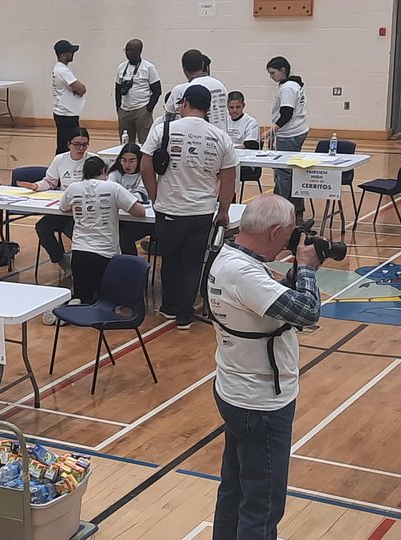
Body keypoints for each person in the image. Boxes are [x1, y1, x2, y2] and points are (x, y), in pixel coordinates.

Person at [207, 193, 322, 540]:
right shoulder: (245, 274)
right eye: (288, 234)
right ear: (274, 233)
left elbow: (268, 301)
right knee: (263, 504)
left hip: (234, 388)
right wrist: (307, 269)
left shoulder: (228, 257)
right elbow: (307, 312)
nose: (290, 240)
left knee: (235, 489)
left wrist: (295, 272)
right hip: (261, 402)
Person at [141, 85, 236, 330]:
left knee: (170, 260)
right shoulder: (220, 136)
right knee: (193, 263)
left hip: (169, 209)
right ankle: (185, 314)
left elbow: (145, 166)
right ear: (208, 108)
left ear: (184, 103)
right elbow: (228, 178)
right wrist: (223, 210)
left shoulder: (163, 129)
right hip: (202, 212)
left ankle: (169, 308)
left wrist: (154, 195)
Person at [61, 157, 145, 303]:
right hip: (105, 254)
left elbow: (64, 208)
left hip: (79, 253)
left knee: (83, 297)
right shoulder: (113, 187)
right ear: (104, 171)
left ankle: (66, 310)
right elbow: (140, 212)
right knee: (106, 299)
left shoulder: (73, 188)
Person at [17, 127, 97, 275]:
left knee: (75, 233)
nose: (81, 148)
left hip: (83, 212)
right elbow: (50, 181)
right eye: (77, 144)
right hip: (62, 208)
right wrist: (36, 186)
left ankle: (87, 268)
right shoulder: (60, 159)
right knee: (42, 227)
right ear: (69, 144)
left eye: (84, 144)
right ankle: (62, 261)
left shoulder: (93, 160)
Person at [263, 56, 310, 219]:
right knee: (293, 172)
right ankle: (296, 210)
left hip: (289, 134)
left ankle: (281, 210)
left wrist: (271, 131)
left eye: (273, 73)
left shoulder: (288, 88)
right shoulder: (294, 84)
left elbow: (286, 114)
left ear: (283, 70)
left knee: (283, 173)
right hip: (297, 131)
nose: (271, 77)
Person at [164, 50, 231, 138]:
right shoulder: (220, 85)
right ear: (203, 65)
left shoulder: (183, 89)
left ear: (184, 68)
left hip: (197, 139)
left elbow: (168, 118)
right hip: (222, 138)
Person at [108, 143, 156, 256]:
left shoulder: (144, 173)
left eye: (132, 161)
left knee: (124, 235)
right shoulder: (115, 173)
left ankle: (131, 264)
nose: (127, 164)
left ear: (139, 160)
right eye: (124, 160)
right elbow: (108, 190)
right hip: (121, 217)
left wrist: (119, 197)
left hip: (142, 219)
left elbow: (141, 195)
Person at [115, 39, 161, 144]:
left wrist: (148, 109)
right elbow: (117, 89)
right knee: (125, 144)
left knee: (145, 142)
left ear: (139, 51)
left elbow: (157, 90)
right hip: (124, 110)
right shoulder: (121, 67)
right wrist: (118, 108)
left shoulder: (149, 67)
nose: (127, 53)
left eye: (130, 50)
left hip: (142, 109)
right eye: (126, 50)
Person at [52, 40, 86, 154]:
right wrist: (80, 89)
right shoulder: (63, 71)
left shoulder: (57, 68)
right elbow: (81, 89)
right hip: (66, 114)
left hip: (61, 112)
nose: (73, 54)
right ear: (63, 55)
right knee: (67, 146)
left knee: (63, 144)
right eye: (70, 52)